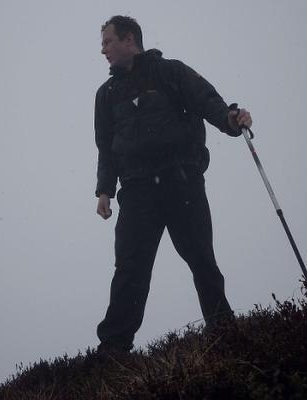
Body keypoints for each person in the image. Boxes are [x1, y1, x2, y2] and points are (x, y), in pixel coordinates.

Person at [94, 15, 252, 354]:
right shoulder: (106, 95)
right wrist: (104, 190)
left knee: (201, 259)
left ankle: (226, 336)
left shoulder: (170, 71)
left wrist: (230, 120)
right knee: (130, 270)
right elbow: (105, 148)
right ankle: (112, 353)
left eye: (108, 42)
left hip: (181, 180)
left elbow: (207, 101)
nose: (103, 50)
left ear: (129, 40)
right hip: (136, 191)